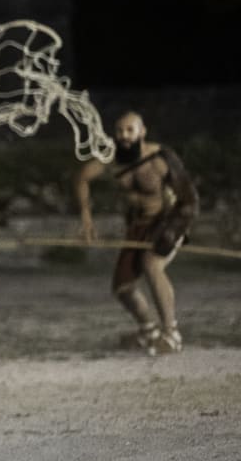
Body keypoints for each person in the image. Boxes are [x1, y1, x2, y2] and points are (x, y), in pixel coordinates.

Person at [74, 111, 198, 354]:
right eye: (120, 131)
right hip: (137, 226)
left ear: (142, 132)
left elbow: (189, 199)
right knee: (123, 287)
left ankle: (171, 334)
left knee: (152, 265)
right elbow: (81, 178)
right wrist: (86, 218)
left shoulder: (160, 158)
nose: (124, 136)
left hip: (165, 223)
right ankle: (149, 331)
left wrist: (174, 230)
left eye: (130, 130)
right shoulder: (111, 159)